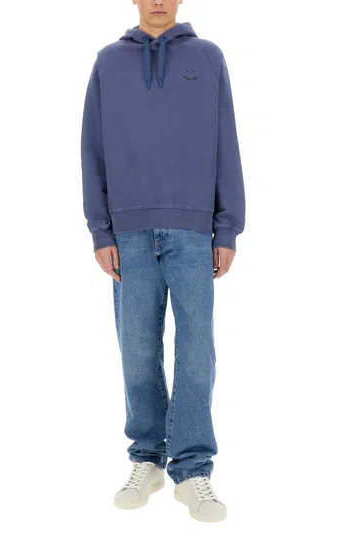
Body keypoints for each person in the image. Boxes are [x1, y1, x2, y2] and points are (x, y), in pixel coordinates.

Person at [81, 0, 245, 523]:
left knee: (197, 352)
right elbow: (92, 149)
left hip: (194, 230)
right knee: (136, 348)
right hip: (127, 232)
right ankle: (147, 459)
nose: (158, 1)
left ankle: (192, 468)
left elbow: (225, 142)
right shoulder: (109, 61)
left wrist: (227, 226)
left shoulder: (208, 57)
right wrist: (100, 229)